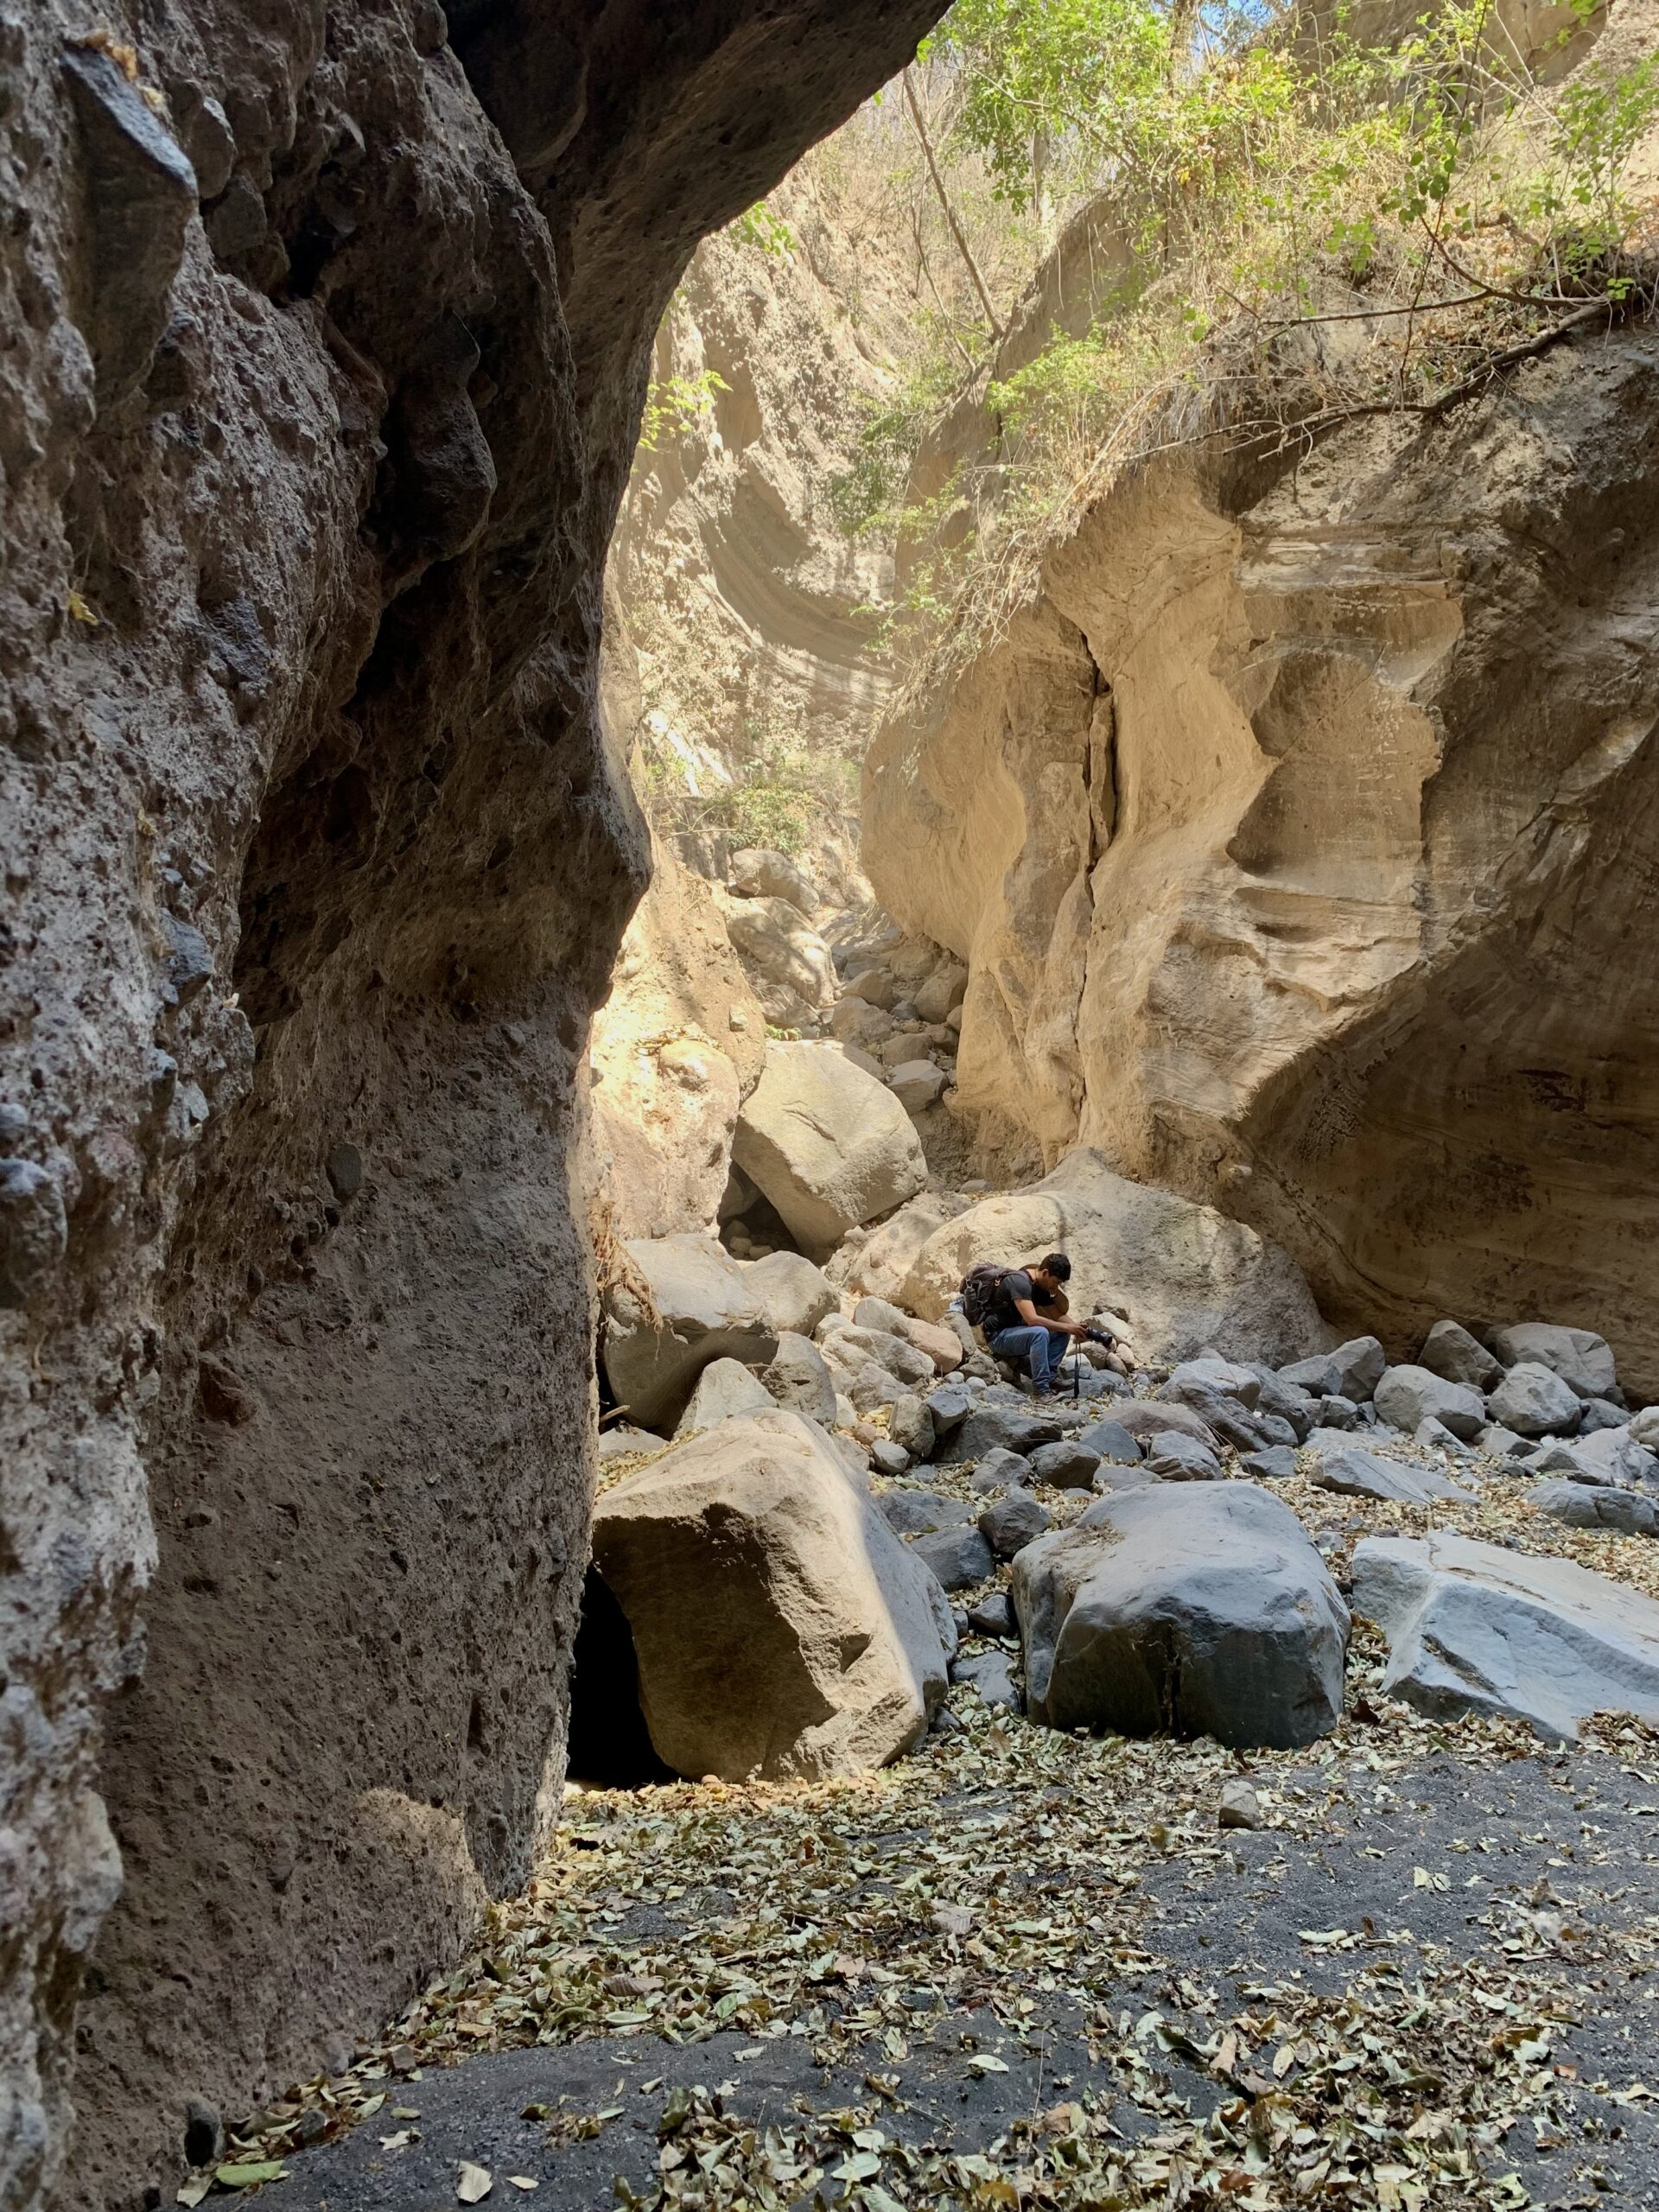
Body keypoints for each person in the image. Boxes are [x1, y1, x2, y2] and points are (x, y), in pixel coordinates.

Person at [982, 1252, 1096, 1395]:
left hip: (1016, 1333)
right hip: (998, 1337)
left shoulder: (1040, 1286)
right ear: (1046, 1273)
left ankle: (1050, 1378)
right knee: (1040, 1332)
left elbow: (1058, 1316)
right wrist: (1069, 1327)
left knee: (1061, 1331)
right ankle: (1041, 1391)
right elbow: (1032, 1320)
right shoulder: (1019, 1282)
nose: (1056, 1287)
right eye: (1056, 1282)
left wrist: (1078, 1330)